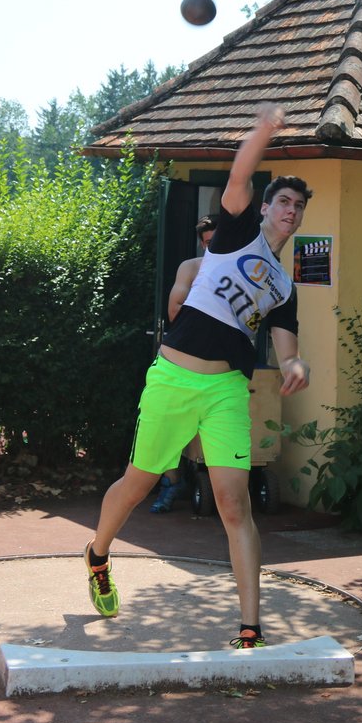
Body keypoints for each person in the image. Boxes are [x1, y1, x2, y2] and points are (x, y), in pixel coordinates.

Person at [84, 103, 312, 648]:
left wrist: (295, 365)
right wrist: (263, 130)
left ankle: (251, 627)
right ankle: (97, 554)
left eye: (299, 206)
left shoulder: (284, 287)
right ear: (265, 208)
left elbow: (287, 347)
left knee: (235, 504)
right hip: (173, 378)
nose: (291, 210)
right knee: (138, 484)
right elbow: (238, 175)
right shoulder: (236, 232)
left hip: (226, 389)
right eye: (284, 201)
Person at [149, 213, 220, 514]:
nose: (213, 246)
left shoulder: (244, 270)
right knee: (165, 429)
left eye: (218, 240)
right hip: (179, 363)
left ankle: (181, 483)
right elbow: (174, 311)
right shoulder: (190, 268)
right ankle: (172, 481)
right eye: (208, 242)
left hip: (220, 370)